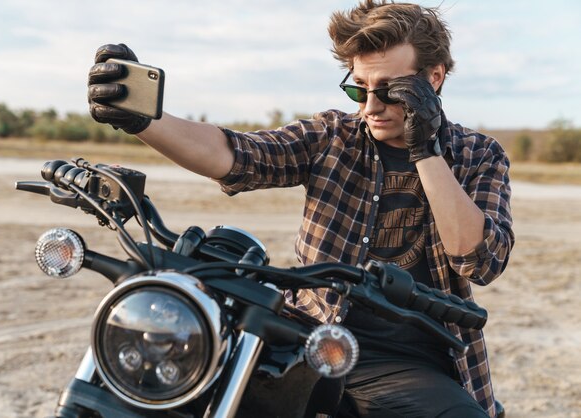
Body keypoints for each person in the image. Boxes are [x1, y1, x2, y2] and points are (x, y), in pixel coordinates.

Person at [87, 1, 514, 416]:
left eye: (390, 91)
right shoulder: (332, 134)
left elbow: (477, 260)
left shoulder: (479, 155)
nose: (369, 107)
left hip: (406, 364)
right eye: (358, 88)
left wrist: (427, 151)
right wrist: (144, 117)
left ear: (434, 78)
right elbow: (236, 154)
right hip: (305, 339)